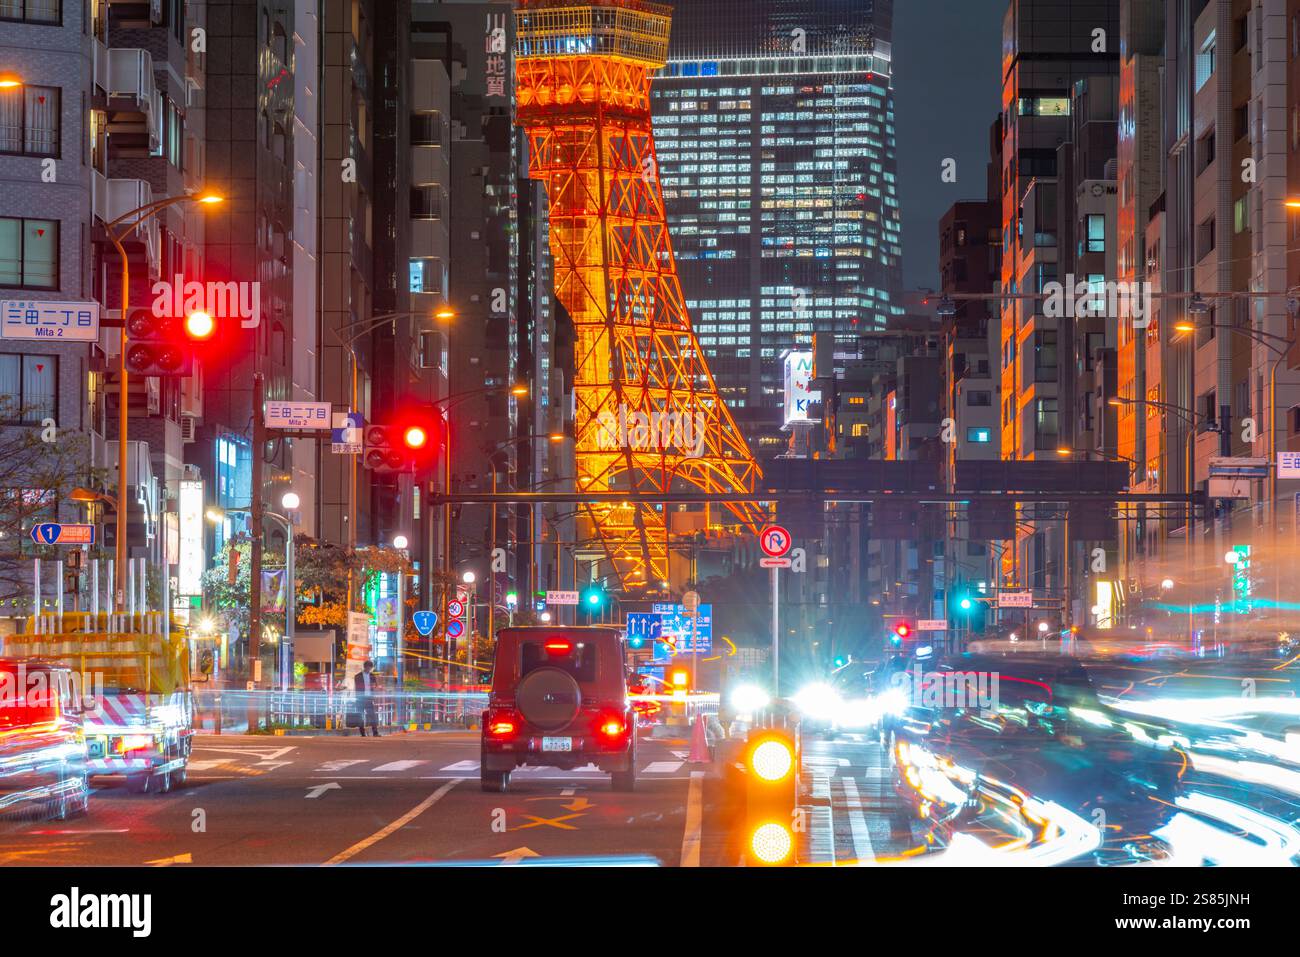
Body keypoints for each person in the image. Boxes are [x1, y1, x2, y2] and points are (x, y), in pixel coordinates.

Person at [353, 660, 381, 737]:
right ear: (365, 667)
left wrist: (375, 688)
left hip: (369, 699)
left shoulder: (372, 676)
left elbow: (375, 686)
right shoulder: (358, 676)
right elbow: (357, 688)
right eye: (369, 668)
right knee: (360, 717)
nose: (369, 669)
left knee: (372, 716)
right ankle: (363, 733)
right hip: (361, 699)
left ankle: (375, 733)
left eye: (370, 668)